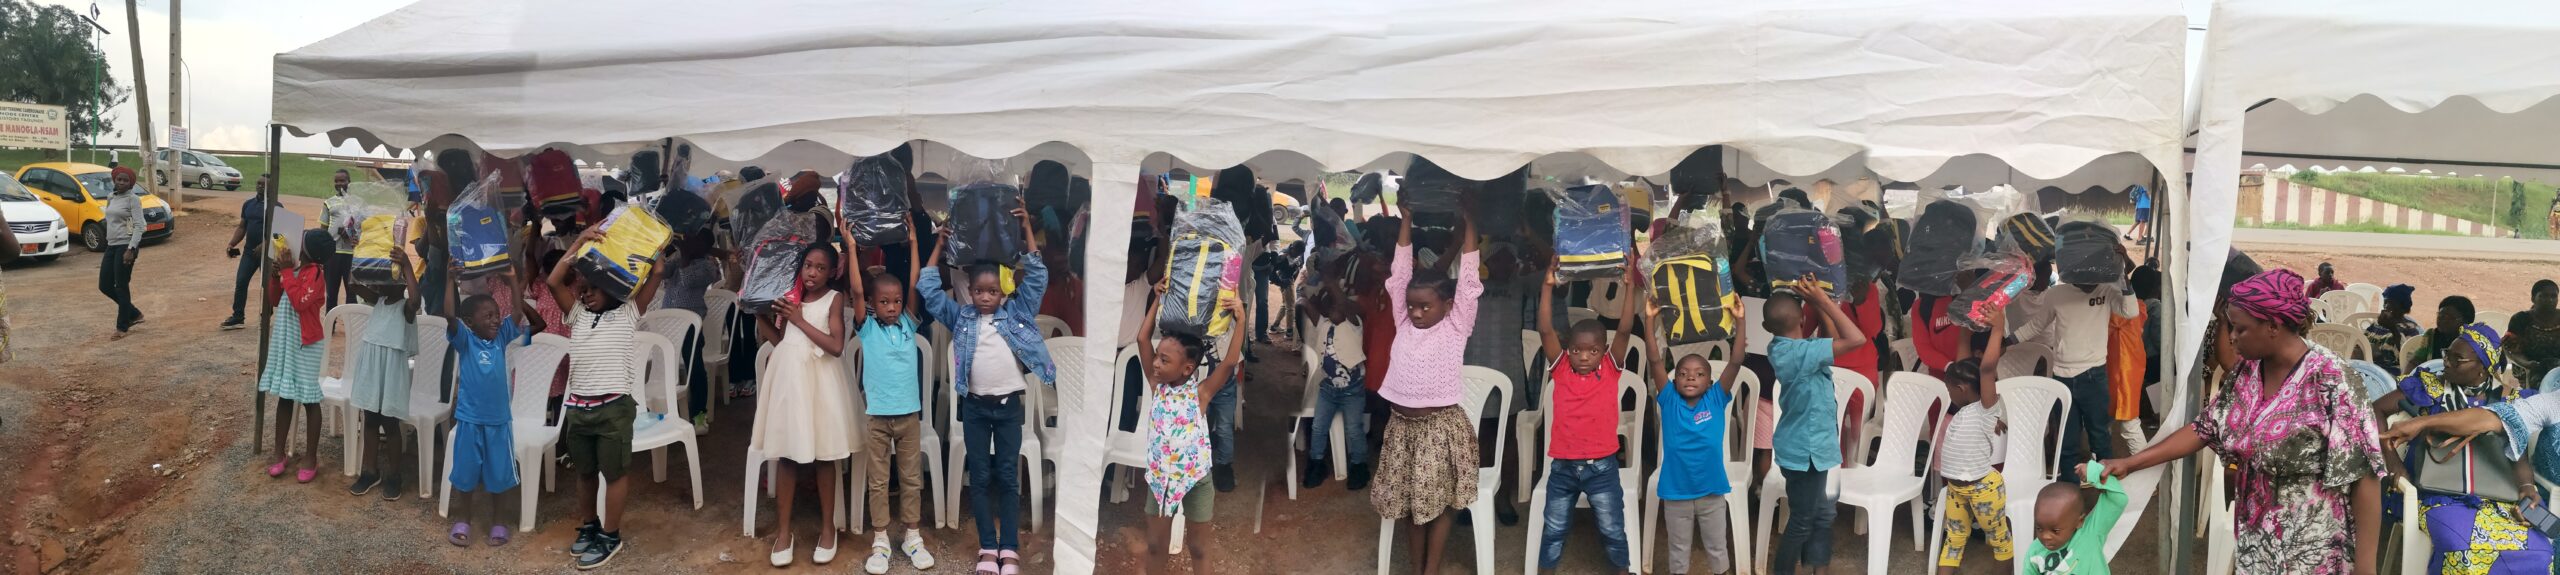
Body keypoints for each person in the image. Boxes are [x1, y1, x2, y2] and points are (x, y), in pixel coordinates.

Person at [2102, 269, 2385, 575]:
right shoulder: (2248, 371)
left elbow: (2364, 477)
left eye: (2240, 329)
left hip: (2313, 549)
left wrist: (2366, 568)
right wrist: (2131, 463)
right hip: (2255, 541)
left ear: (2273, 326)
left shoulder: (2332, 379)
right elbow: (2204, 428)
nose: (2232, 337)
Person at [916, 206, 1054, 575]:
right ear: (970, 291)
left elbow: (1037, 277)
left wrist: (1026, 229)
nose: (985, 297)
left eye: (993, 290)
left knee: (1007, 478)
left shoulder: (1017, 313)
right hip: (975, 409)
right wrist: (938, 245)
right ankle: (987, 548)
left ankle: (1009, 548)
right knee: (979, 479)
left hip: (1008, 409)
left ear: (1003, 290)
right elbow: (928, 290)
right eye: (978, 290)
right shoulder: (962, 317)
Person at [2370, 323, 2552, 573]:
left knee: (2539, 552)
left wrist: (2527, 487)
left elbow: (2517, 451)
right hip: (2436, 495)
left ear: (2483, 368)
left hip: (2498, 498)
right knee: (2462, 549)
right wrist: (2393, 463)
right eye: (2448, 354)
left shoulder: (2507, 400)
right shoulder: (2430, 388)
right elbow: (2375, 410)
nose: (2447, 362)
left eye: (2458, 359)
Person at [1373, 198, 1483, 575]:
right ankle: (1417, 568)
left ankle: (1430, 570)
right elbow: (1400, 273)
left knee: (1440, 504)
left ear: (1448, 305)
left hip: (1439, 430)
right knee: (1410, 506)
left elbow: (1469, 280)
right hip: (1402, 429)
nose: (1416, 313)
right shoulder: (1403, 321)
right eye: (1412, 306)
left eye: (1425, 307)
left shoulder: (1456, 325)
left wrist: (1470, 224)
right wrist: (1406, 219)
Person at [546, 225, 661, 570]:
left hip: (614, 409)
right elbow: (553, 281)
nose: (587, 294)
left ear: (614, 288)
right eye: (584, 288)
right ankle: (590, 525)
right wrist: (579, 242)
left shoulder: (628, 312)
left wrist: (650, 240)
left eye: (595, 288)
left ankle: (610, 535)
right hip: (579, 409)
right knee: (584, 473)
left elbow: (657, 271)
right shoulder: (577, 315)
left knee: (614, 474)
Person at [1531, 260, 1642, 574]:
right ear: (1568, 349)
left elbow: (1624, 329)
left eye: (1592, 351)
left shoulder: (1610, 369)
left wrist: (1630, 286)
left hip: (1602, 467)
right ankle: (1545, 570)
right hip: (1563, 468)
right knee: (1554, 528)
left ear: (1603, 351)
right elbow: (1545, 329)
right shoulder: (1561, 368)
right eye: (1577, 350)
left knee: (1612, 528)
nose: (1583, 356)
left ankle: (1622, 569)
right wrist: (1547, 286)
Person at [750, 243, 856, 568]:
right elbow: (781, 341)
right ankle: (783, 532)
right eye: (808, 265)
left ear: (832, 272)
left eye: (820, 268)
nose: (812, 273)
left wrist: (798, 318)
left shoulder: (833, 299)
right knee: (787, 455)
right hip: (790, 382)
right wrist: (759, 313)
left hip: (821, 383)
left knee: (825, 455)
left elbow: (836, 346)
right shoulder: (790, 297)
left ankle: (828, 529)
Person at [1131, 287, 1246, 575]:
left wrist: (1241, 320)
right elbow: (1142, 338)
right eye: (1157, 357)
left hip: (1196, 479)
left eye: (1164, 360)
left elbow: (1229, 362)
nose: (1156, 363)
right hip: (1161, 480)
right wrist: (1158, 298)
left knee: (1198, 547)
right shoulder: (1156, 386)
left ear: (1187, 368)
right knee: (1156, 545)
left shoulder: (1201, 394)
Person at [847, 219, 936, 574]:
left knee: (912, 478)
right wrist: (851, 248)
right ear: (872, 304)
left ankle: (912, 536)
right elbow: (856, 292)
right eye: (884, 301)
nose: (892, 306)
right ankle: (881, 539)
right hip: (878, 418)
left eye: (896, 301)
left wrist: (914, 244)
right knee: (879, 481)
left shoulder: (909, 325)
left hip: (909, 416)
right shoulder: (867, 328)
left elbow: (914, 284)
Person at [1766, 278, 1867, 575]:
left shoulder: (1788, 348)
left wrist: (1818, 306)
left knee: (1821, 513)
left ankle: (1818, 570)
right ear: (1801, 318)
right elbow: (1856, 339)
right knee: (1802, 521)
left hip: (1809, 449)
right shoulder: (1801, 354)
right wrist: (1823, 301)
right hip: (1806, 453)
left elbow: (1833, 339)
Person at [2014, 244, 2140, 481]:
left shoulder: (2107, 289)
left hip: (2094, 375)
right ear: (2072, 271)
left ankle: (2106, 493)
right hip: (2062, 378)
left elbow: (2130, 311)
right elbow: (2036, 325)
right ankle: (2070, 496)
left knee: (2100, 439)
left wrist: (2122, 271)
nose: (2089, 282)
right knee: (2067, 442)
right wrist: (2006, 341)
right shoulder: (2056, 294)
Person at [442, 282, 544, 548]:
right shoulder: (465, 341)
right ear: (469, 322)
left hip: (499, 422)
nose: (496, 320)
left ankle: (499, 521)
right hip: (469, 420)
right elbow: (450, 316)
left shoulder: (502, 338)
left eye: (497, 314)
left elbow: (518, 314)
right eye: (488, 316)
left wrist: (513, 282)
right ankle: (463, 518)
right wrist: (450, 277)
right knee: (465, 472)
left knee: (500, 474)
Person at [1652, 309, 1748, 575]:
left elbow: (1736, 361)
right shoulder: (1669, 400)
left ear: (1710, 382)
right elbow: (1654, 360)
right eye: (1683, 373)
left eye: (1698, 374)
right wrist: (1649, 320)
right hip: (1676, 493)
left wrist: (1740, 320)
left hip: (1711, 492)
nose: (1691, 377)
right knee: (1678, 550)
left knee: (1717, 548)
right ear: (1674, 382)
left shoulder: (1715, 399)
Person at [1936, 310, 2014, 575]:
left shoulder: (1985, 408)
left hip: (1984, 489)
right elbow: (1963, 365)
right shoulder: (1966, 406)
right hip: (1956, 489)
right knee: (1954, 541)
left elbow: (1986, 369)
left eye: (1949, 390)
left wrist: (1997, 328)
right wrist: (1965, 323)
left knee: (1999, 541)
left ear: (1960, 389)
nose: (1949, 394)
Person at [347, 240, 421, 501]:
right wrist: (360, 252)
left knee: (390, 423)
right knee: (370, 419)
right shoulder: (377, 300)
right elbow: (353, 283)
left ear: (402, 282)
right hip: (371, 368)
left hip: (391, 372)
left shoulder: (406, 308)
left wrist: (407, 265)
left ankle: (394, 475)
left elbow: (416, 299)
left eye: (390, 276)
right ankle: (370, 471)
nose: (382, 283)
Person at [258, 232, 329, 484]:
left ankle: (310, 457)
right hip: (287, 339)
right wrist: (275, 276)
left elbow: (300, 302)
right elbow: (275, 299)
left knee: (309, 399)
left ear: (308, 251)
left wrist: (287, 272)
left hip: (306, 344)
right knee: (285, 396)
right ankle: (279, 452)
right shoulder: (295, 270)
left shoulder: (316, 274)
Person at [1299, 275, 1370, 490]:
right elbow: (1305, 305)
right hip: (1328, 389)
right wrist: (1303, 299)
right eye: (1331, 307)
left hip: (1352, 391)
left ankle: (1359, 465)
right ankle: (1316, 463)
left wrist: (1330, 279)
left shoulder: (1354, 325)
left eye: (1338, 306)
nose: (1334, 310)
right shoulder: (1324, 324)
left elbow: (1342, 301)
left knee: (1353, 429)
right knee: (1318, 427)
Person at [654, 233, 724, 433]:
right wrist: (660, 252)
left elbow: (688, 280)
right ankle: (666, 410)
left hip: (690, 325)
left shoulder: (707, 266)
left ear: (703, 246)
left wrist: (684, 255)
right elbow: (663, 273)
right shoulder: (678, 259)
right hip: (668, 322)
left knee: (695, 367)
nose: (686, 244)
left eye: (692, 241)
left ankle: (699, 414)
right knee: (665, 366)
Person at [2025, 462, 2131, 574]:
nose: (2045, 536)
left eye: (2055, 530)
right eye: (2039, 528)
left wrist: (2094, 472)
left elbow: (2118, 500)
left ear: (2079, 521)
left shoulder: (2090, 533)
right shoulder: (2035, 551)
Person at [224, 175, 276, 330]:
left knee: (268, 286)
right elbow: (242, 227)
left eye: (264, 184)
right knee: (241, 282)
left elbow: (280, 232)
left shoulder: (276, 206)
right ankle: (238, 317)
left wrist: (265, 244)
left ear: (271, 187)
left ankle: (266, 315)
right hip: (249, 252)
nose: (260, 186)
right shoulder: (248, 204)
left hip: (267, 254)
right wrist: (232, 243)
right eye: (258, 183)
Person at [100, 166, 146, 339]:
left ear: (131, 183)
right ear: (114, 180)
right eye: (119, 179)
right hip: (111, 245)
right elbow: (110, 219)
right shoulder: (111, 197)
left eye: (126, 180)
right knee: (104, 285)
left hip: (126, 246)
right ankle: (133, 313)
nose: (121, 183)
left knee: (121, 286)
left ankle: (122, 327)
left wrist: (131, 249)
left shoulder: (133, 199)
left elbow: (139, 226)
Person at [2503, 280, 2560, 387]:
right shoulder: (2521, 319)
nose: (2550, 300)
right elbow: (2511, 349)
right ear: (2533, 298)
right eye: (2544, 296)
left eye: (2554, 296)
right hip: (2529, 369)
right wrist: (2526, 364)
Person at [2366, 284, 2425, 376]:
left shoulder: (2410, 329)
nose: (2386, 306)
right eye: (2385, 302)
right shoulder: (2377, 324)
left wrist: (2392, 328)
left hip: (2390, 373)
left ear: (2402, 307)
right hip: (2369, 367)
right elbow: (2363, 340)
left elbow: (2405, 357)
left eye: (2391, 303)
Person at [2412, 296, 2478, 367]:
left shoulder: (2473, 342)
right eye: (2440, 315)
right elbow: (2415, 362)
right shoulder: (2431, 335)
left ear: (2466, 321)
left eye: (2450, 318)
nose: (2443, 320)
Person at [321, 169, 355, 308]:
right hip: (332, 254)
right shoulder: (329, 203)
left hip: (352, 254)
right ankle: (330, 321)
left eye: (342, 180)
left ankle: (350, 322)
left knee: (352, 293)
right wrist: (322, 253)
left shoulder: (357, 203)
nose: (339, 183)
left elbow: (363, 227)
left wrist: (350, 233)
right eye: (336, 181)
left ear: (349, 182)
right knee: (331, 293)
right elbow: (323, 230)